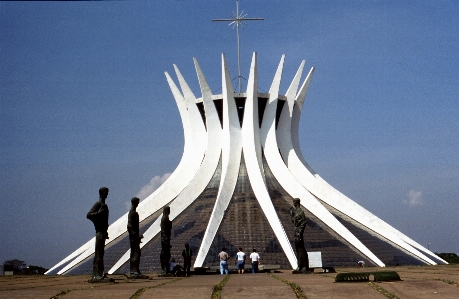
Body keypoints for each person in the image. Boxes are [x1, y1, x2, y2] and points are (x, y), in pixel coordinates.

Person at [87, 187, 111, 282]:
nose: (107, 194)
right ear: (102, 193)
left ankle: (100, 273)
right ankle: (96, 275)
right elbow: (89, 215)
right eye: (106, 192)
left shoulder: (104, 204)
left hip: (103, 231)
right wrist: (99, 213)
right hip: (99, 232)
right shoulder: (99, 204)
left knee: (101, 253)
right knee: (98, 253)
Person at [290, 198, 309, 273]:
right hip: (296, 233)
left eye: (294, 202)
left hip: (299, 234)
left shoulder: (300, 212)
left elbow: (303, 223)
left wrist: (300, 232)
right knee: (298, 250)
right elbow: (295, 222)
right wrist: (291, 215)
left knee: (301, 250)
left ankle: (304, 266)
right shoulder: (296, 212)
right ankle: (300, 266)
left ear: (296, 203)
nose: (293, 204)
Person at [127, 197, 144, 278]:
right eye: (137, 202)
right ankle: (134, 271)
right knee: (135, 253)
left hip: (135, 237)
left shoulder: (134, 213)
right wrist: (134, 235)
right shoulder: (132, 213)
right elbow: (129, 225)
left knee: (137, 253)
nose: (138, 204)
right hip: (133, 238)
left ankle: (136, 270)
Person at [160, 206, 172, 274]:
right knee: (165, 254)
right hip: (165, 239)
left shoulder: (166, 218)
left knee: (168, 254)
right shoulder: (164, 219)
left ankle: (166, 268)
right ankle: (165, 268)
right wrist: (165, 238)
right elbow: (163, 229)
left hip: (167, 238)